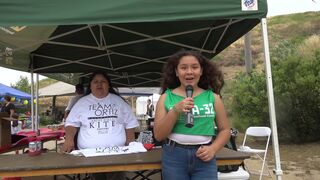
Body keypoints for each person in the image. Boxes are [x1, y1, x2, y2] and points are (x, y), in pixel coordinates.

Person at [154, 50, 231, 180]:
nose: (189, 71)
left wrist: (213, 149)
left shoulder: (213, 97)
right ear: (176, 72)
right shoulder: (166, 97)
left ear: (201, 71)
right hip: (174, 157)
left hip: (204, 156)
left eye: (194, 67)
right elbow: (159, 135)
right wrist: (175, 111)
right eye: (183, 68)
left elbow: (225, 130)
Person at [62, 71, 139, 180]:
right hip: (90, 155)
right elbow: (71, 123)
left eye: (103, 81)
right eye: (95, 82)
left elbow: (130, 124)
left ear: (108, 85)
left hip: (117, 155)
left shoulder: (119, 102)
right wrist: (69, 139)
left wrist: (130, 146)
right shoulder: (82, 103)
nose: (99, 84)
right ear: (90, 85)